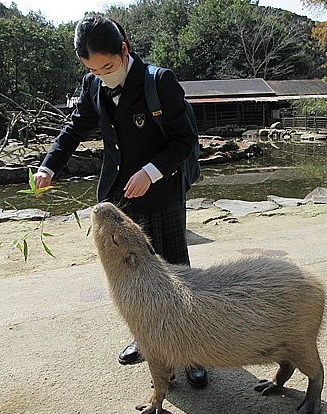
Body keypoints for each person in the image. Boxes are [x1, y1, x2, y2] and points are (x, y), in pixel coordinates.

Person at [33, 15, 208, 388]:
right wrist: (49, 166)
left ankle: (191, 350)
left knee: (174, 271)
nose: (101, 74)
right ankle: (145, 340)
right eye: (92, 69)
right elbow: (73, 128)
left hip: (160, 189)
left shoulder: (159, 82)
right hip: (117, 196)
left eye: (108, 66)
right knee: (128, 274)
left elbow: (185, 141)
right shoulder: (93, 84)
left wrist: (150, 172)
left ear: (124, 51)